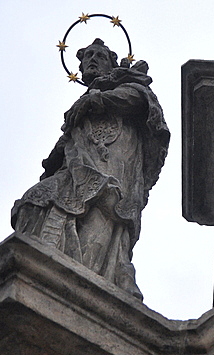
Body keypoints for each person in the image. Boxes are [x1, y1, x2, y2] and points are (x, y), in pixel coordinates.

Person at [12, 39, 170, 300]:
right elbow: (69, 140)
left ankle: (92, 280)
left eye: (100, 56)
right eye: (88, 57)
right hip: (75, 169)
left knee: (101, 218)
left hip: (112, 167)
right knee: (33, 202)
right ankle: (40, 268)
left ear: (112, 64)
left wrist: (97, 99)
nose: (93, 60)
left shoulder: (126, 83)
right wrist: (56, 155)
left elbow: (138, 100)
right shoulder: (83, 102)